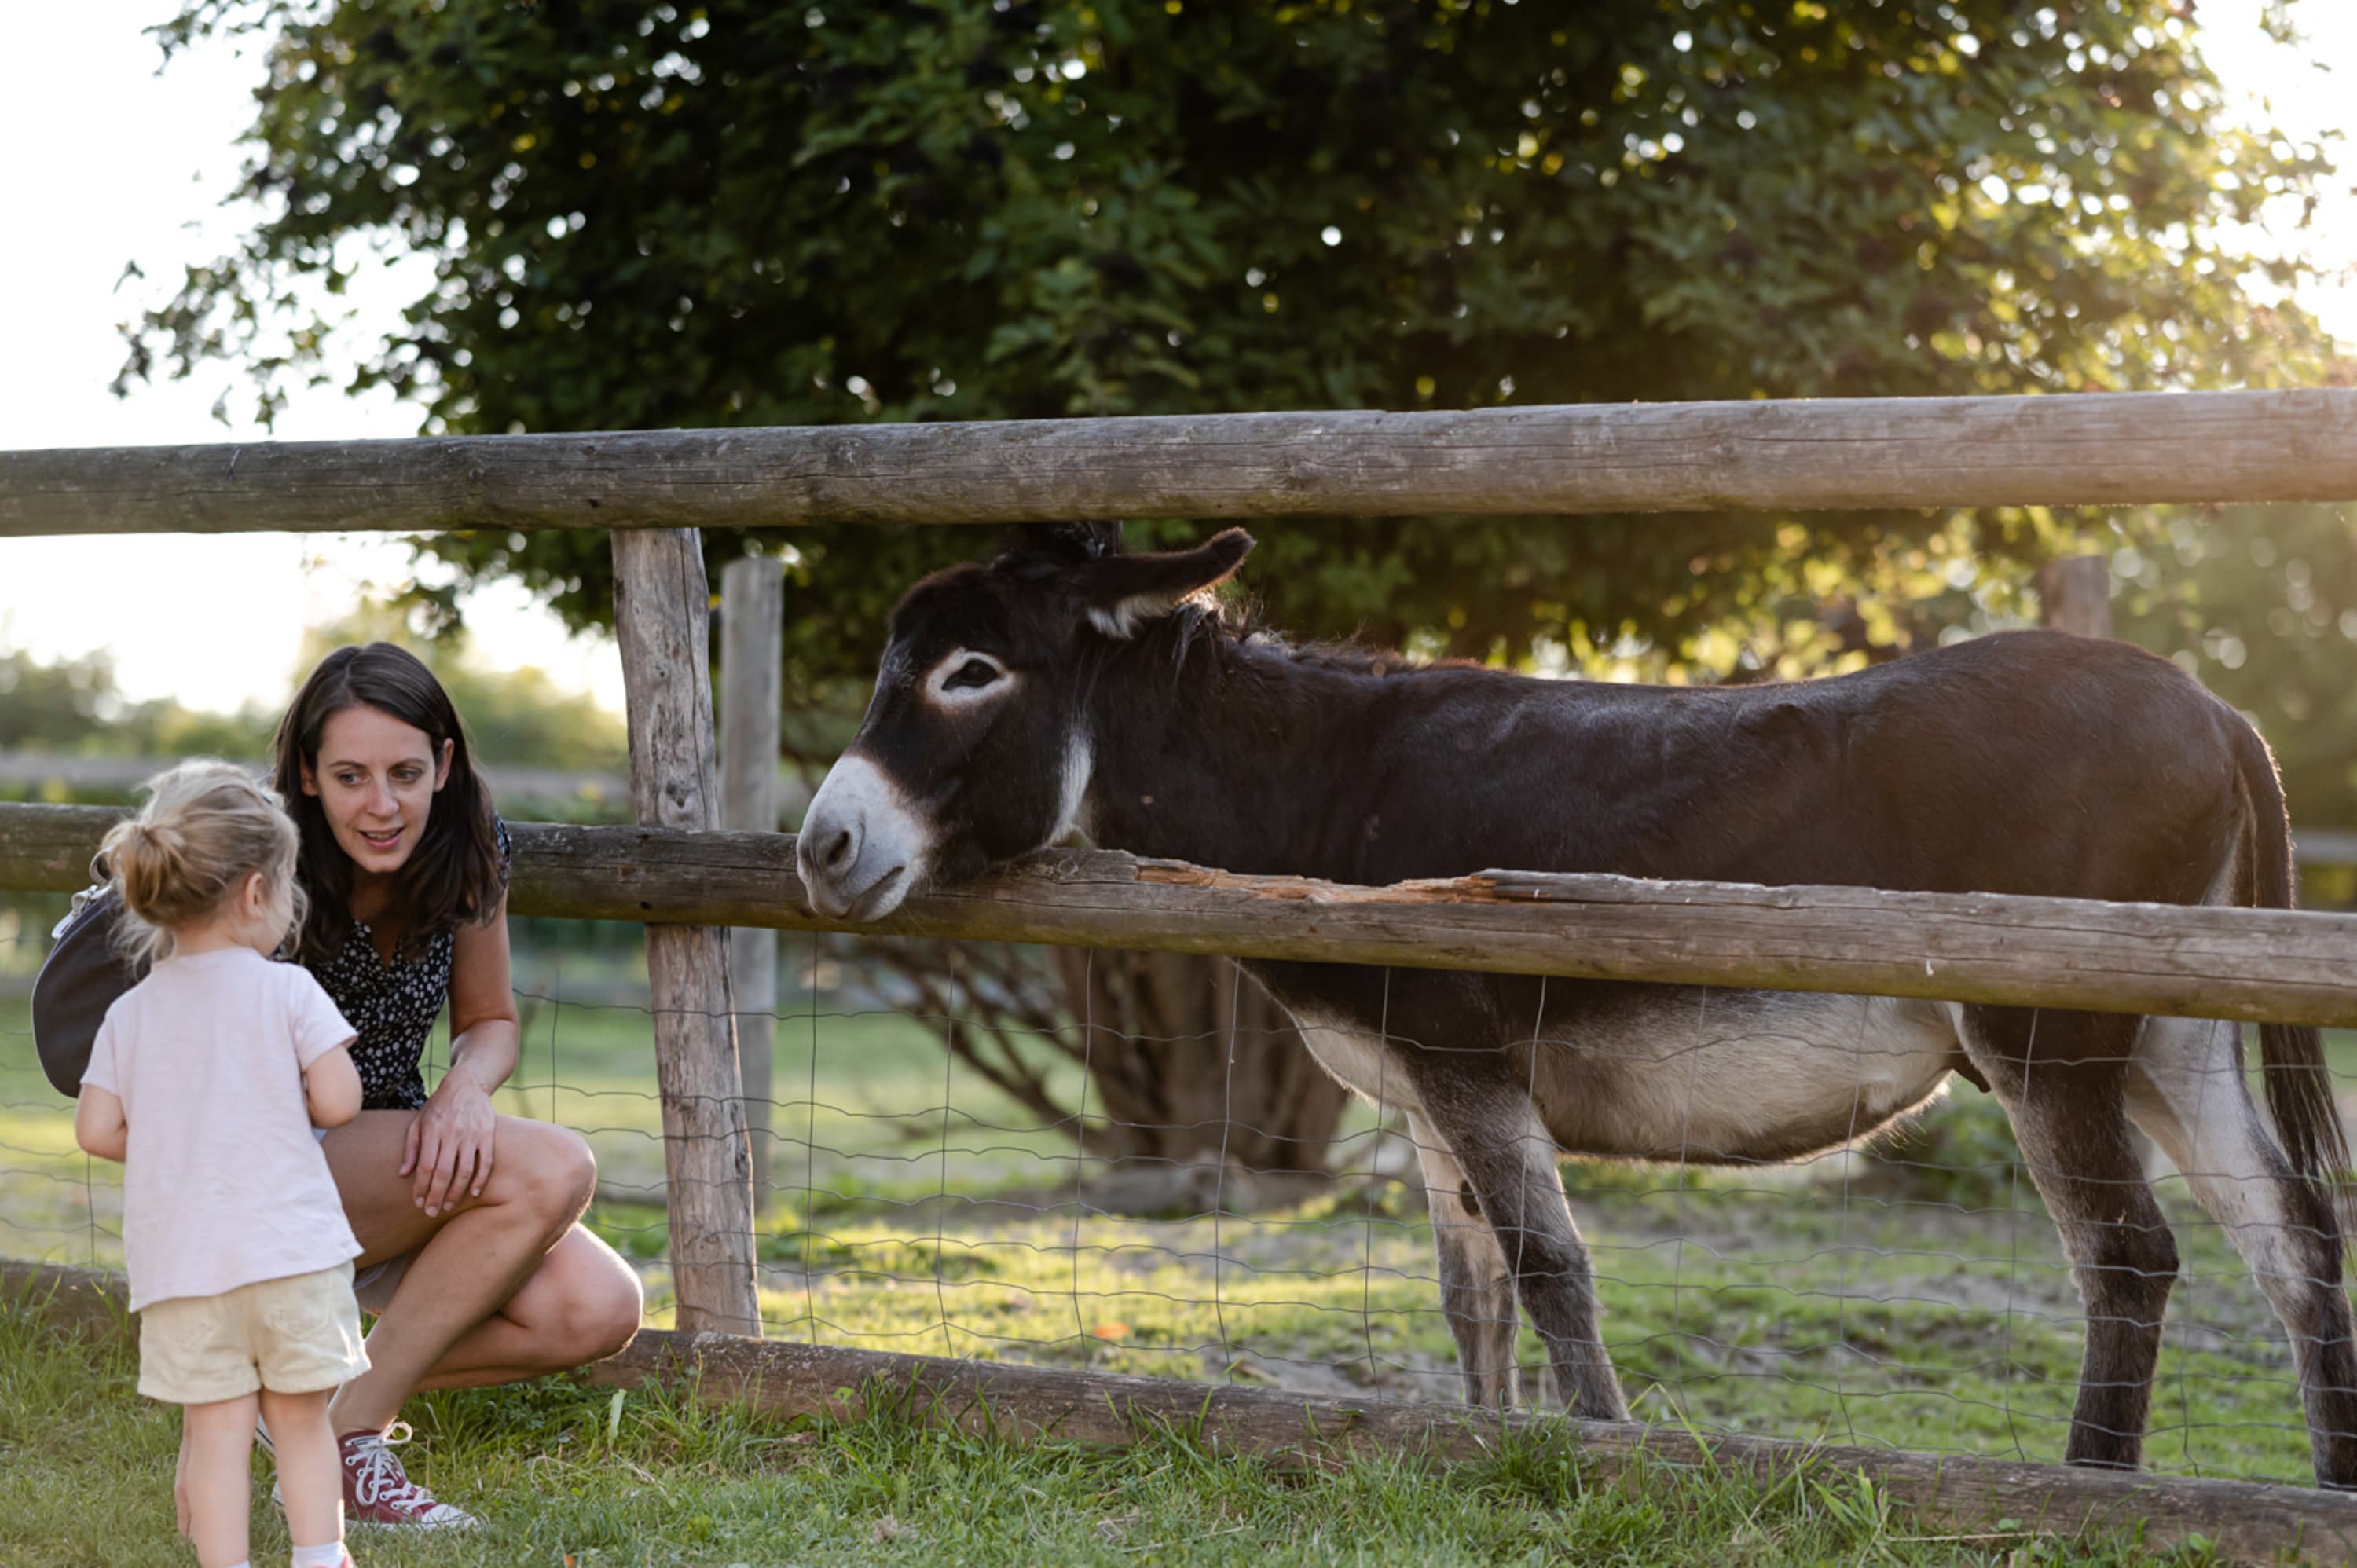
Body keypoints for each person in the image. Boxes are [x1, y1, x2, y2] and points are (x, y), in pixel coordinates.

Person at [231, 641, 643, 1529]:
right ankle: (344, 1443)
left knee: (595, 1307)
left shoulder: (468, 841)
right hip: (257, 1175)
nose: (382, 805)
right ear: (308, 774)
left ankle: (307, 1405)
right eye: (350, 776)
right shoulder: (260, 861)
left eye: (406, 773)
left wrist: (464, 1091)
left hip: (382, 1155)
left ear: (444, 764)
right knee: (552, 1167)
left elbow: (489, 1022)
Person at [76, 761, 366, 1568]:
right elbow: (340, 1102)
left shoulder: (129, 1012)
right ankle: (318, 1558)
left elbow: (97, 1127)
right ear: (254, 892)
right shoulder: (288, 991)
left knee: (215, 1433)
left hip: (185, 1269)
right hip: (291, 1256)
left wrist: (180, 1133)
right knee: (303, 1420)